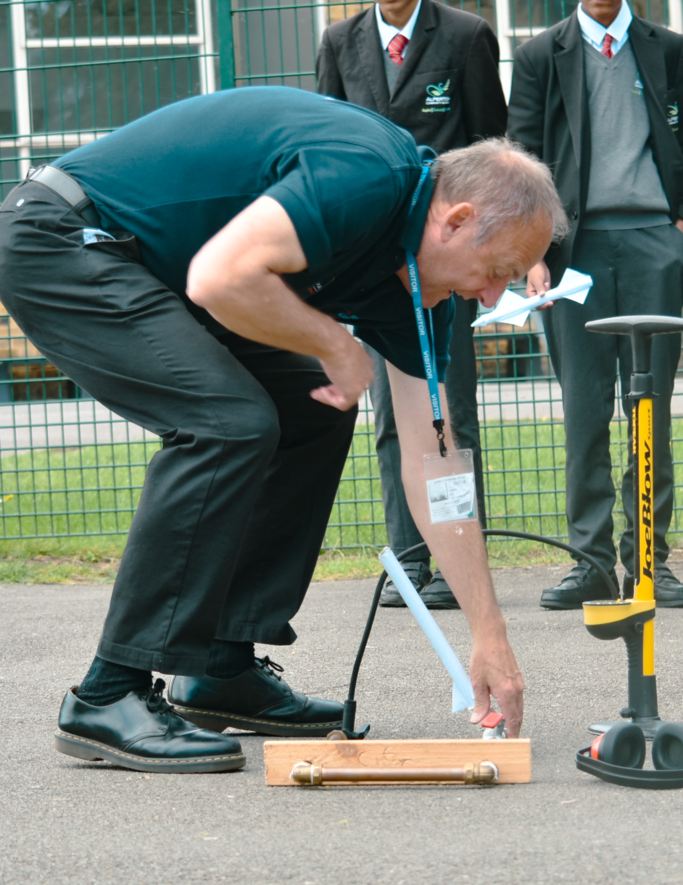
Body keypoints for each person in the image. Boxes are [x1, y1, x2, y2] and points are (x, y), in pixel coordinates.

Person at [0, 88, 564, 772]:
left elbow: (433, 459)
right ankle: (107, 693)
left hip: (155, 270)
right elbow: (221, 276)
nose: (493, 298)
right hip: (65, 239)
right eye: (498, 270)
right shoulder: (364, 174)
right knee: (228, 423)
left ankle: (218, 666)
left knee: (311, 408)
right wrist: (335, 344)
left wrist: (488, 633)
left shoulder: (422, 295)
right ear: (457, 219)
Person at [317, 0, 506, 609]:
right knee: (389, 418)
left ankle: (454, 563)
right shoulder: (339, 41)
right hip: (374, 262)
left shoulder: (466, 35)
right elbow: (328, 146)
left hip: (447, 255)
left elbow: (492, 150)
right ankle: (408, 563)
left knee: (448, 409)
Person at [508, 0, 683, 610]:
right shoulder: (539, 57)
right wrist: (532, 254)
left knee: (651, 411)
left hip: (655, 246)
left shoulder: (669, 48)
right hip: (569, 255)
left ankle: (649, 563)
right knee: (585, 413)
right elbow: (520, 159)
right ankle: (592, 564)